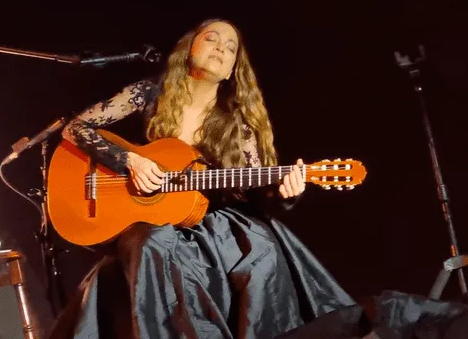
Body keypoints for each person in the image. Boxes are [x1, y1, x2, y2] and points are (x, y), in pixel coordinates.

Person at [46, 18, 357, 339]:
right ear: (188, 47)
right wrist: (129, 160)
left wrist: (287, 192)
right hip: (151, 221)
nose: (221, 47)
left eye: (231, 47)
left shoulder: (238, 120)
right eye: (211, 38)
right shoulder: (151, 91)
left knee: (261, 248)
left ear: (233, 68)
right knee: (154, 243)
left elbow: (258, 192)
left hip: (213, 218)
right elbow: (75, 128)